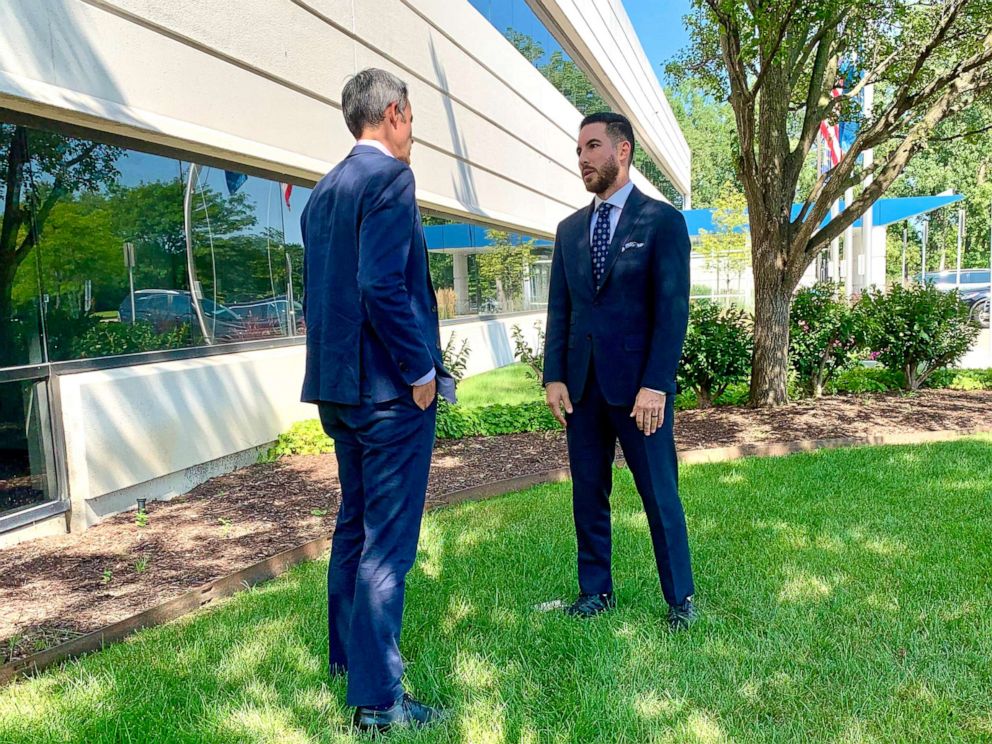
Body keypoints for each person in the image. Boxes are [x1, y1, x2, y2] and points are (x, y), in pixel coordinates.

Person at [300, 67, 454, 733]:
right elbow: (380, 285)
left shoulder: (323, 192)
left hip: (339, 391)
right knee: (387, 545)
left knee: (354, 527)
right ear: (394, 113)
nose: (412, 130)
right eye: (411, 117)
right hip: (390, 393)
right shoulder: (390, 176)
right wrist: (421, 369)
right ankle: (379, 703)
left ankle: (348, 663)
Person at [542, 112, 697, 631]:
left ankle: (680, 599)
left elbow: (672, 310)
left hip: (640, 392)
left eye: (592, 147)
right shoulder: (568, 231)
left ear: (622, 151)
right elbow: (559, 310)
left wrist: (657, 382)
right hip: (583, 388)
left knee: (659, 492)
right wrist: (554, 375)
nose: (582, 159)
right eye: (578, 150)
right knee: (588, 492)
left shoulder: (661, 221)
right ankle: (595, 593)